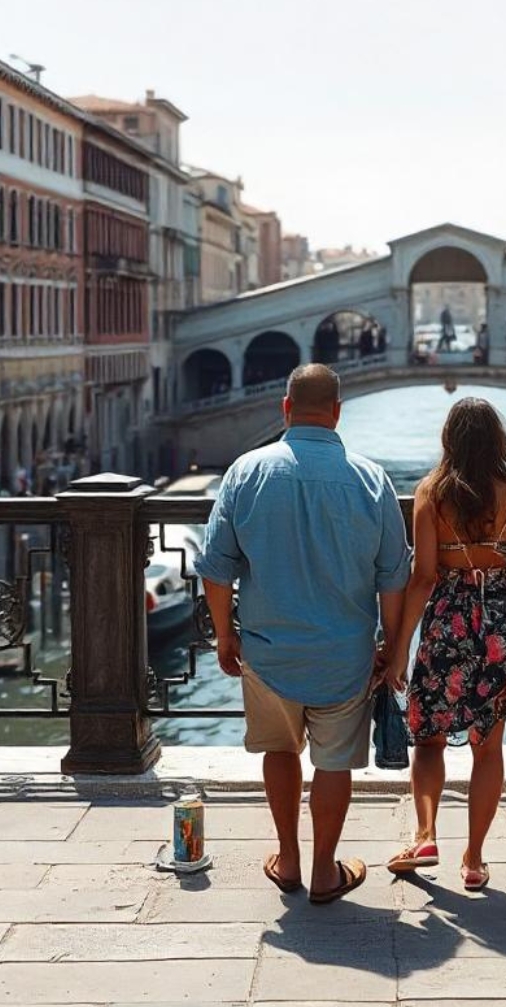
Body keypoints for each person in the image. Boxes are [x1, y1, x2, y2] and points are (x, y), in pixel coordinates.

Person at [197, 363, 411, 904]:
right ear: (338, 413)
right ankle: (323, 871)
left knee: (279, 752)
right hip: (346, 655)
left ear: (285, 408)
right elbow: (393, 575)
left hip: (268, 652)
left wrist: (225, 635)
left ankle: (287, 858)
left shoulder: (246, 471)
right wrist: (392, 644)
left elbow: (216, 569)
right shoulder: (371, 477)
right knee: (334, 763)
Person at [385, 398, 506, 890]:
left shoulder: (431, 493)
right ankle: (474, 859)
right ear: (497, 440)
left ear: (450, 440)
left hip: (449, 624)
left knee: (428, 740)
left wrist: (400, 645)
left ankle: (425, 834)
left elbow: (423, 577)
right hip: (503, 624)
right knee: (489, 750)